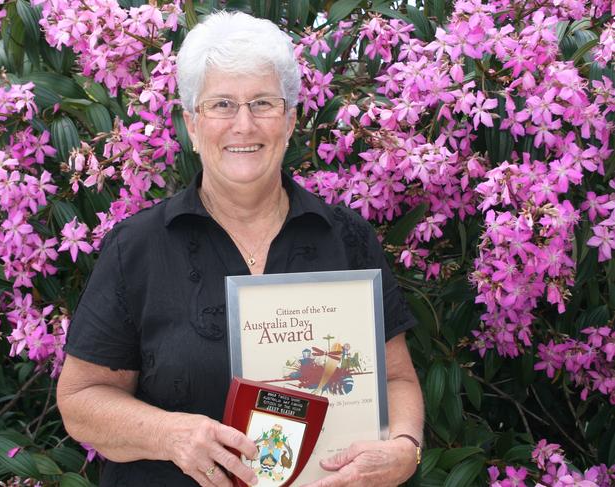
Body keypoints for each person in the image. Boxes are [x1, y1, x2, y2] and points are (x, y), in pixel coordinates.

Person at [57, 10, 424, 487]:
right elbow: (82, 401)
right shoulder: (137, 249)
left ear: (290, 120)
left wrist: (404, 449)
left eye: (263, 103)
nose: (244, 125)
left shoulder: (347, 237)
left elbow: (397, 381)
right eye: (222, 105)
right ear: (191, 124)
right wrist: (172, 434)